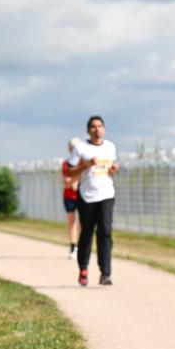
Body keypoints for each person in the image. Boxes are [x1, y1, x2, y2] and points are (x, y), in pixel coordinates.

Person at [65, 116, 119, 286]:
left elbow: (110, 167)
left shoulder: (110, 147)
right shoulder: (81, 148)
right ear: (88, 130)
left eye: (100, 126)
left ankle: (105, 273)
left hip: (106, 194)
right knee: (87, 233)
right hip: (87, 196)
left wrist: (114, 169)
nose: (97, 130)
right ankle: (83, 268)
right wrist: (85, 165)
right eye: (94, 127)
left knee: (105, 231)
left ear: (104, 129)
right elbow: (69, 172)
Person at [62, 139, 81, 259]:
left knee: (84, 222)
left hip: (83, 196)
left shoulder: (83, 163)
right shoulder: (66, 164)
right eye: (71, 147)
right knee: (72, 221)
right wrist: (77, 176)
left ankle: (82, 246)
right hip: (69, 197)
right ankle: (73, 246)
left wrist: (75, 177)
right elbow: (67, 183)